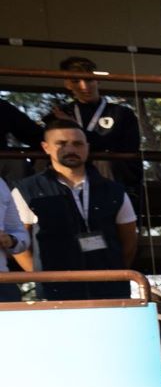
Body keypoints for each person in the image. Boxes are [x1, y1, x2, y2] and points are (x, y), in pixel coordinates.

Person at [9, 118, 138, 294]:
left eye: (77, 144)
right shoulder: (27, 190)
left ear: (87, 147)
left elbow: (129, 242)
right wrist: (40, 277)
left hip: (111, 292)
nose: (70, 149)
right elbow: (19, 244)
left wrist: (113, 274)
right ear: (46, 147)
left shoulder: (114, 190)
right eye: (61, 144)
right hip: (56, 296)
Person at [54, 56, 144, 189]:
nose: (84, 86)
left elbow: (127, 149)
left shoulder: (123, 113)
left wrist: (75, 129)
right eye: (76, 81)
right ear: (67, 84)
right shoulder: (61, 113)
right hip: (71, 179)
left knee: (105, 161)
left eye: (89, 79)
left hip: (112, 182)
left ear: (98, 80)